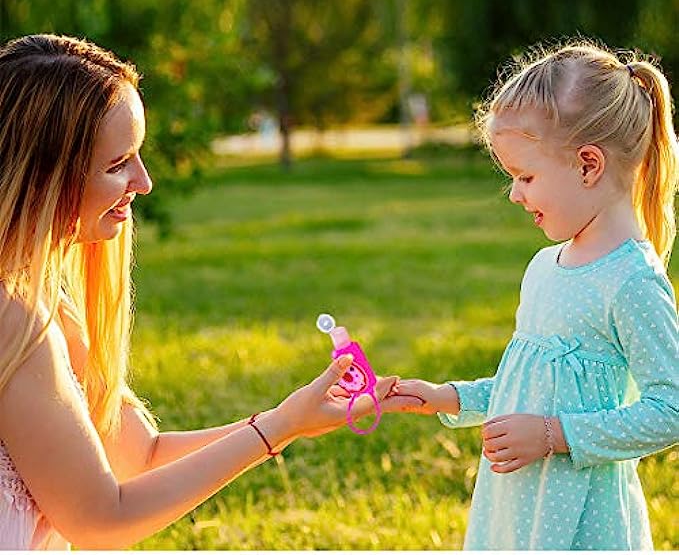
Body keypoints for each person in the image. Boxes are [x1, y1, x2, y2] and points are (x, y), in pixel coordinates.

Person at [0, 33, 396, 550]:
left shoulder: (46, 299)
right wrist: (277, 429)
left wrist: (289, 420)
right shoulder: (14, 318)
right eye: (118, 164)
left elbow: (140, 458)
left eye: (138, 156)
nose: (144, 182)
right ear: (41, 176)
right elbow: (101, 520)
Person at [383, 40, 679, 549]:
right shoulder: (545, 267)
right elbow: (527, 384)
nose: (515, 194)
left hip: (585, 523)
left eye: (526, 176)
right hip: (518, 510)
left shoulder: (631, 281)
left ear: (588, 165)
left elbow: (671, 408)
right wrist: (446, 397)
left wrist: (553, 435)